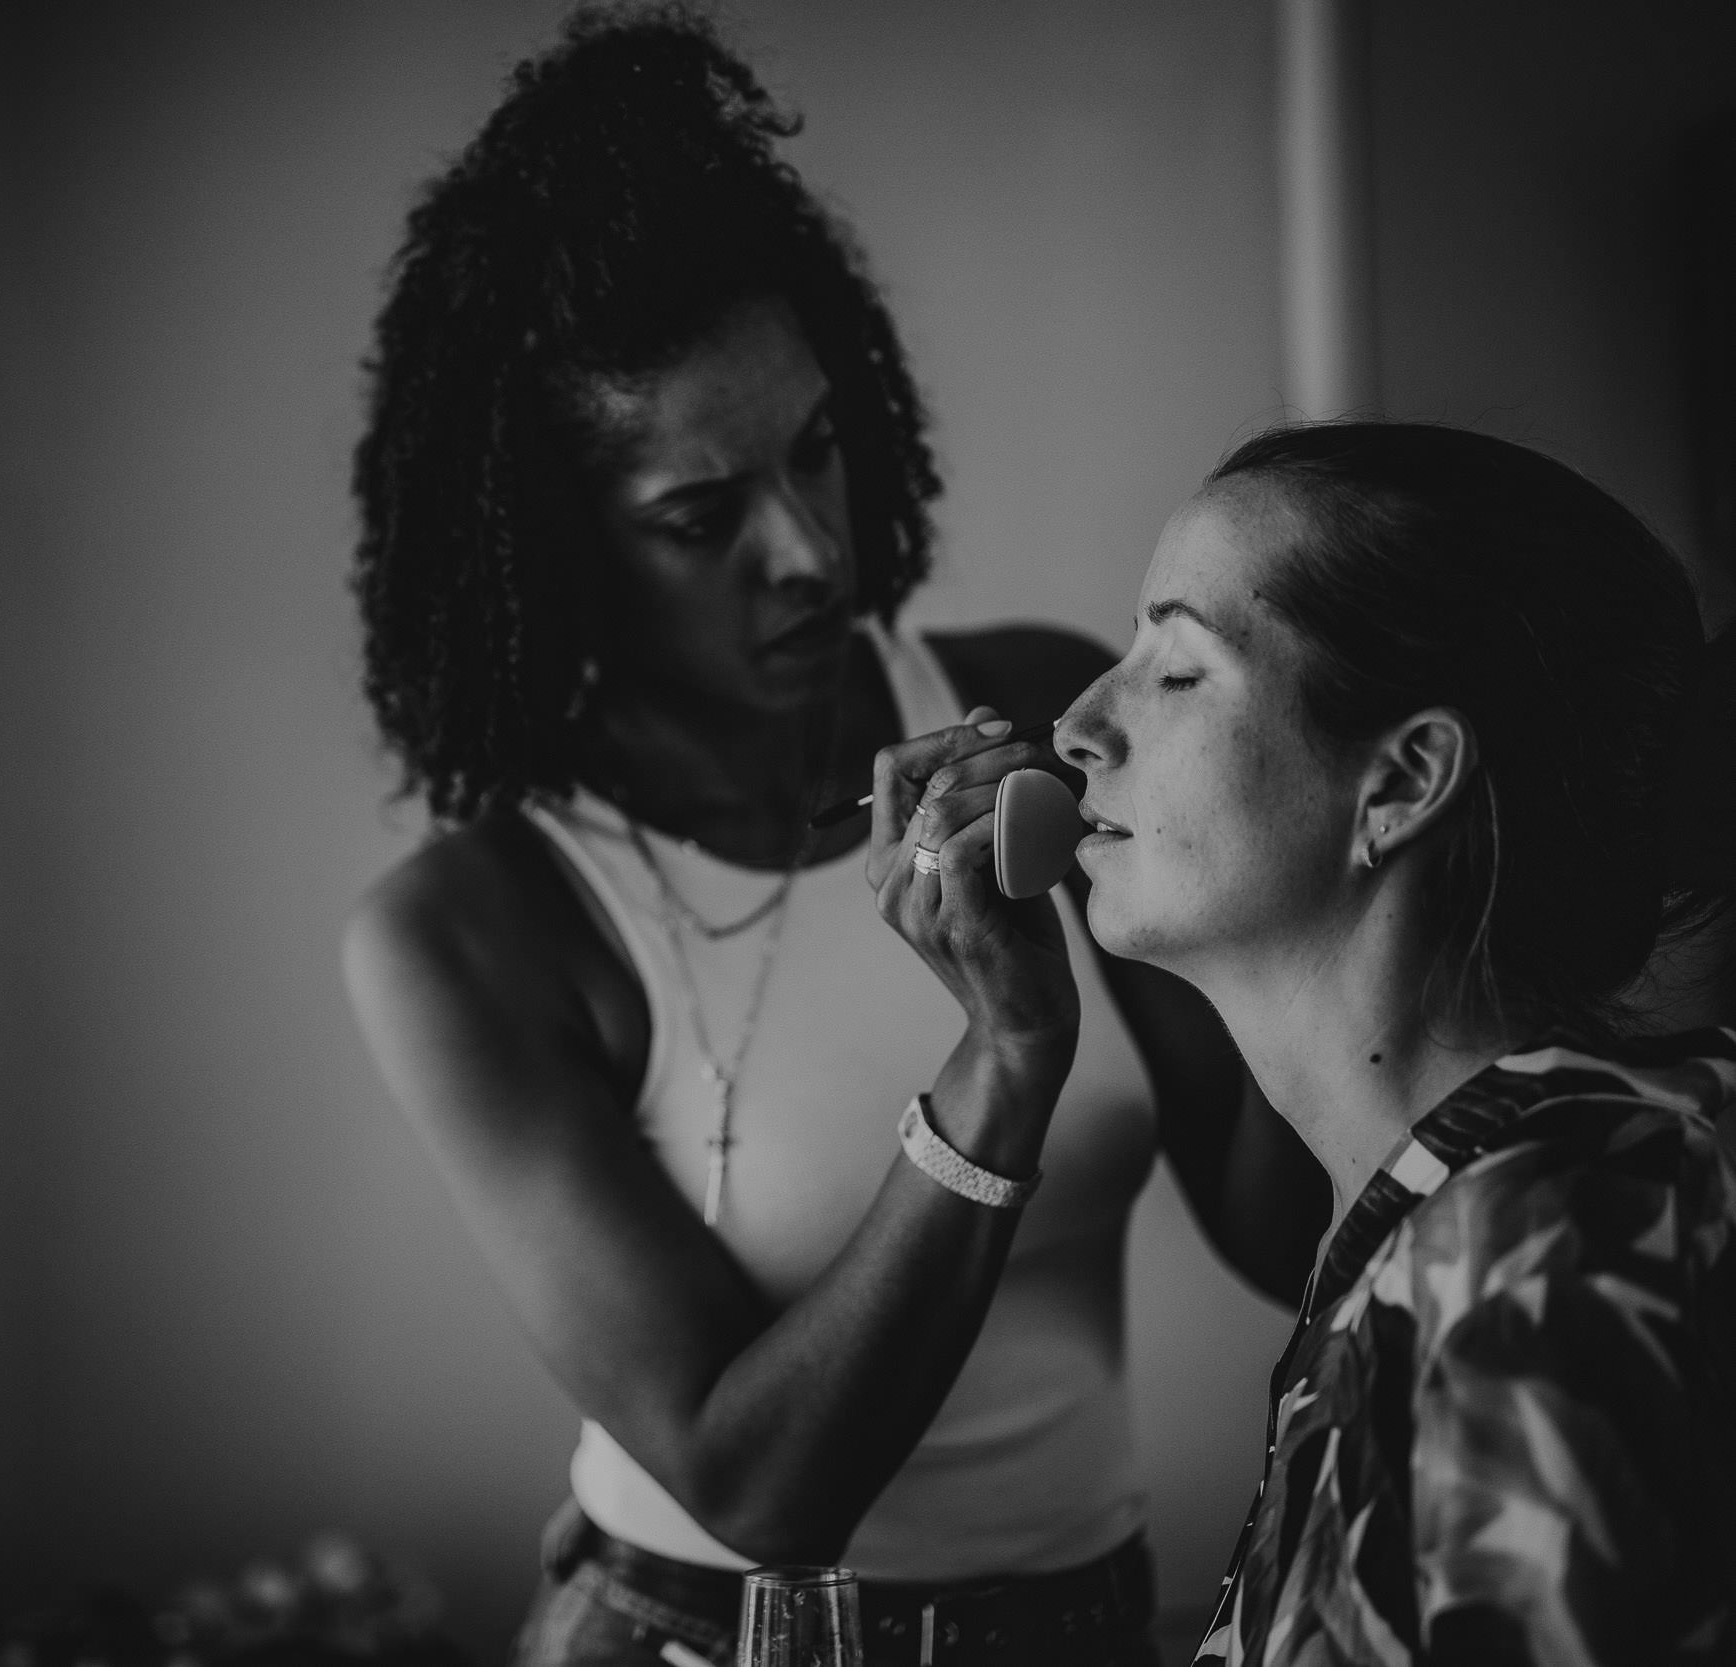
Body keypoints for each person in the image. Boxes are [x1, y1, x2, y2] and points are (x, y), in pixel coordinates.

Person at [341, 11, 1326, 1664]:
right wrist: (1007, 1055)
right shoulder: (479, 929)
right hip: (700, 1632)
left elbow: (1280, 1226)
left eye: (818, 449)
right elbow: (762, 1477)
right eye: (699, 516)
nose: (807, 549)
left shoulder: (1019, 705)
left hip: (1085, 1611)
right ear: (553, 552)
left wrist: (1316, 883)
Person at [1000, 421, 1736, 1662]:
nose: (1075, 725)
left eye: (1174, 669)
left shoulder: (1533, 1256)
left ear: (1399, 782)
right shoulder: (1462, 1207)